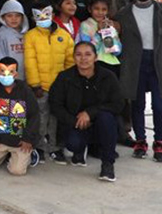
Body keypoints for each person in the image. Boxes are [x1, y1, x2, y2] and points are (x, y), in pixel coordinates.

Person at [116, 0, 162, 163]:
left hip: (160, 61)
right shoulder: (124, 13)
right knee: (137, 105)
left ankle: (159, 142)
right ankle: (141, 141)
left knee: (159, 106)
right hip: (135, 62)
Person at [49, 42, 123, 182]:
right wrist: (74, 121)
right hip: (76, 124)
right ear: (74, 57)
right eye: (79, 54)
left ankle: (108, 165)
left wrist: (90, 113)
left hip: (101, 123)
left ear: (95, 57)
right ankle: (81, 149)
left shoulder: (108, 77)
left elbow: (118, 104)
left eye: (88, 54)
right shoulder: (65, 77)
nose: (83, 58)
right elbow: (55, 105)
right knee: (73, 143)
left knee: (106, 118)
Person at [24, 4, 75, 163]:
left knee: (55, 119)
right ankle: (38, 146)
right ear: (34, 18)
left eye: (47, 15)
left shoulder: (64, 35)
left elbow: (70, 61)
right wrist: (35, 84)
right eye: (39, 16)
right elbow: (30, 61)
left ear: (53, 15)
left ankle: (54, 147)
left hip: (59, 87)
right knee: (40, 117)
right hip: (41, 87)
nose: (43, 19)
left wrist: (67, 83)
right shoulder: (31, 36)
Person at [0, 57, 40, 177]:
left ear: (16, 73)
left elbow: (34, 115)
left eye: (10, 71)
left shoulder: (25, 91)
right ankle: (6, 155)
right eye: (2, 71)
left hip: (21, 140)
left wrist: (28, 139)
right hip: (1, 139)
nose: (6, 74)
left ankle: (28, 154)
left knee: (17, 171)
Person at [0, 0, 28, 73]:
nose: (14, 19)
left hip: (28, 76)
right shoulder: (0, 35)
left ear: (23, 17)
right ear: (3, 17)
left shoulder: (27, 34)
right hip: (9, 76)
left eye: (17, 15)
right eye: (9, 16)